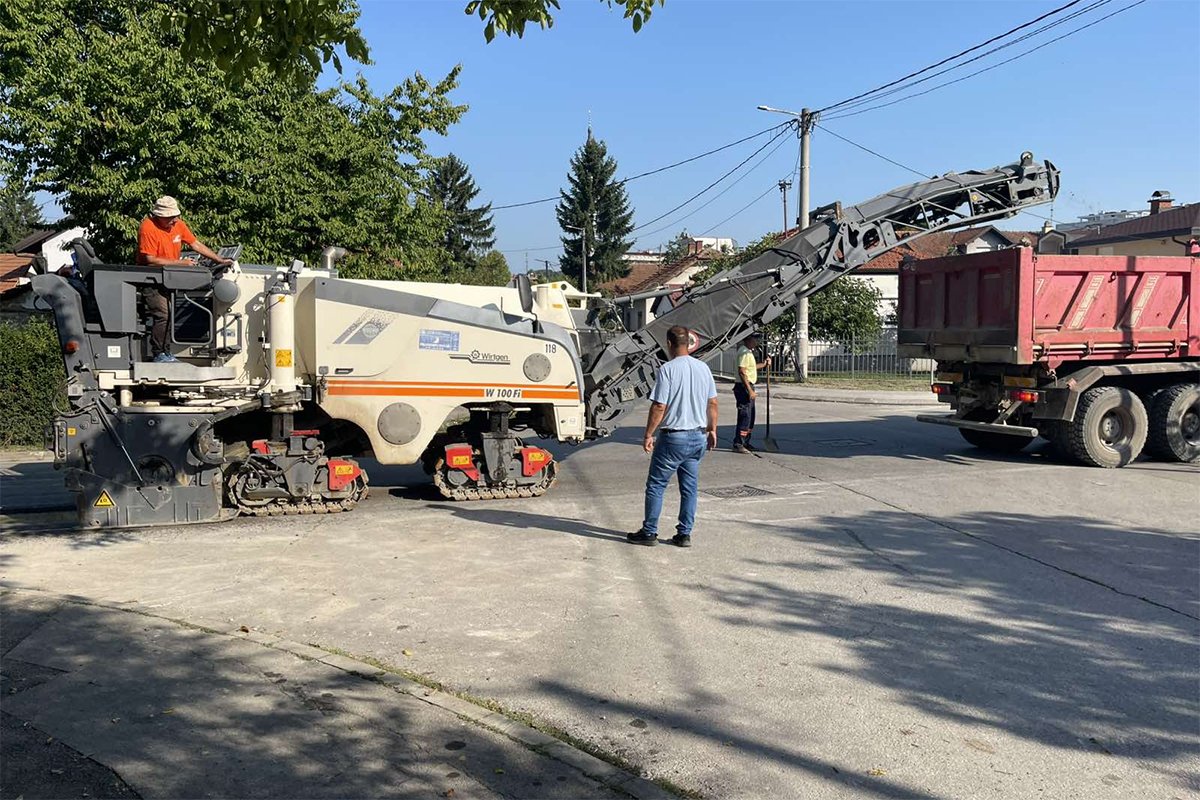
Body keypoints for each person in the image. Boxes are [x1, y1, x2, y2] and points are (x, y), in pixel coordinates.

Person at [627, 325, 718, 548]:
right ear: (689, 342)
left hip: (673, 438)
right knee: (689, 488)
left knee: (657, 485)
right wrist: (712, 429)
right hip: (698, 437)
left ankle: (649, 532)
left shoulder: (667, 369)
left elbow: (660, 405)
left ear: (669, 344)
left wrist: (648, 434)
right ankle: (684, 534)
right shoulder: (704, 368)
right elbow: (713, 403)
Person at [136, 196, 231, 362]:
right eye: (171, 217)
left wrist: (219, 260)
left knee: (169, 314)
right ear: (159, 216)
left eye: (176, 216)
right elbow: (150, 260)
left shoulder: (178, 224)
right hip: (152, 279)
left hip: (169, 278)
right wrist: (181, 263)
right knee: (162, 314)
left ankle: (166, 352)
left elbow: (195, 244)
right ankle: (158, 354)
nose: (175, 220)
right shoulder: (148, 228)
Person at [732, 333, 771, 454]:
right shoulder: (744, 352)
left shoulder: (748, 352)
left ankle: (745, 441)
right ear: (749, 339)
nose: (757, 341)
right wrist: (749, 390)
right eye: (755, 339)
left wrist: (764, 364)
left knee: (751, 416)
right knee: (745, 416)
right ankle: (738, 443)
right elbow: (742, 371)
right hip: (744, 387)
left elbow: (751, 368)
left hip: (748, 385)